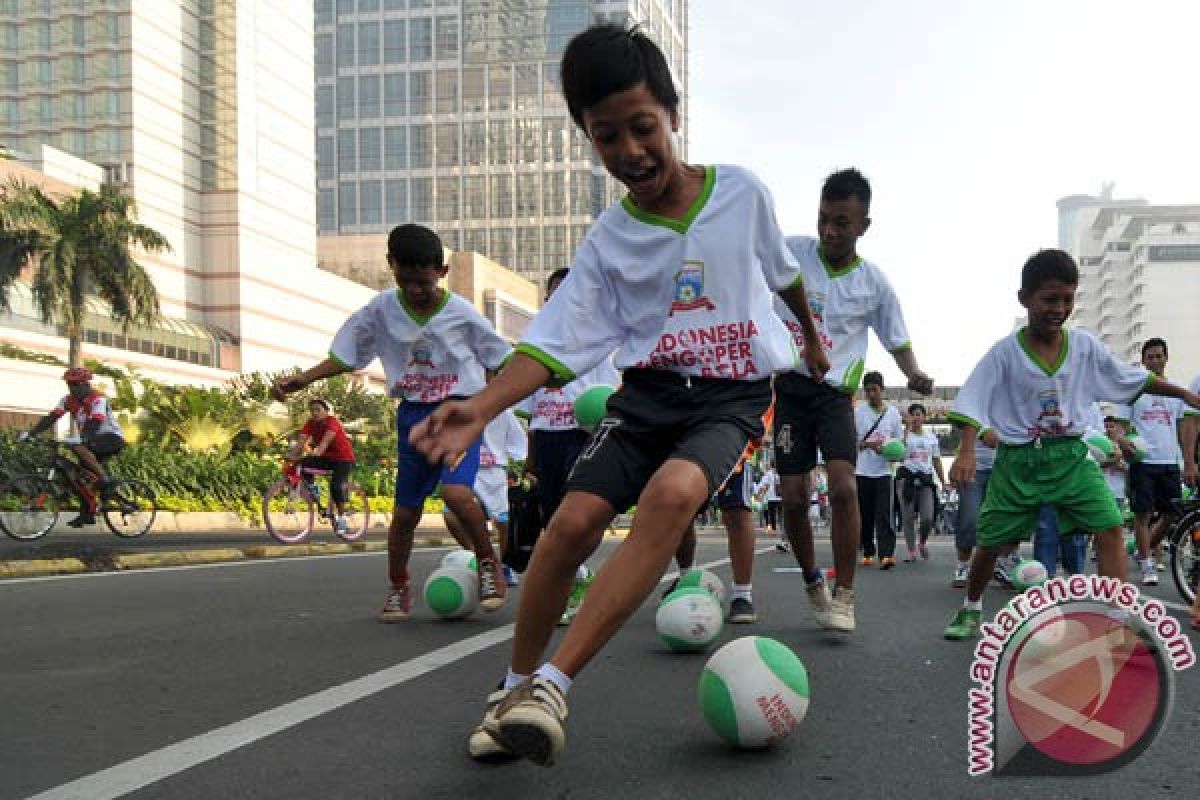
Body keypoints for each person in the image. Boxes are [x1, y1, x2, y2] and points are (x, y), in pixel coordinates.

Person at [408, 24, 829, 766]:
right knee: (569, 525)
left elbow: (782, 270)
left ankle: (552, 687)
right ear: (587, 138)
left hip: (731, 396)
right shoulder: (608, 239)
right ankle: (513, 690)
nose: (630, 151)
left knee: (671, 497)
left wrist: (812, 338)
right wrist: (483, 405)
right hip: (646, 396)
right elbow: (557, 339)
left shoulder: (742, 193)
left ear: (672, 114)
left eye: (642, 128)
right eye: (606, 137)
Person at [943, 249, 1200, 640]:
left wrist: (1184, 394)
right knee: (991, 542)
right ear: (1024, 298)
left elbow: (1132, 378)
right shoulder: (1004, 354)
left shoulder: (1083, 346)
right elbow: (972, 399)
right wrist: (964, 451)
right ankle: (971, 606)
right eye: (1049, 299)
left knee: (1111, 526)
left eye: (1067, 299)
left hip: (1071, 458)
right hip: (1018, 462)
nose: (1059, 308)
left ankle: (1118, 616)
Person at [273, 224, 512, 623]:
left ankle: (488, 563)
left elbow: (501, 358)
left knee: (456, 494)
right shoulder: (381, 309)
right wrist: (307, 378)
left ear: (443, 271)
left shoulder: (462, 314)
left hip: (457, 414)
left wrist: (493, 404)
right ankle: (398, 587)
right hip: (414, 417)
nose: (416, 290)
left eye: (424, 281)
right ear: (391, 267)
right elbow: (350, 354)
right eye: (406, 281)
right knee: (405, 514)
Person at [772, 167, 933, 631]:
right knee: (795, 498)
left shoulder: (875, 284)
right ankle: (810, 581)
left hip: (835, 396)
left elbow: (896, 339)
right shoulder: (792, 252)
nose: (830, 230)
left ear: (864, 225)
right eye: (824, 218)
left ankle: (844, 592)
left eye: (842, 222)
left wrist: (914, 372)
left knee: (843, 486)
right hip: (790, 391)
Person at [516, 267, 619, 622]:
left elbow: (610, 397)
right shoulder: (535, 343)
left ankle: (574, 580)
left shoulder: (599, 345)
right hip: (546, 439)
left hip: (580, 436)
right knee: (549, 514)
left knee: (570, 513)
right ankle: (576, 577)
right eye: (551, 297)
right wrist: (529, 458)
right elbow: (531, 408)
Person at [21, 367, 125, 527]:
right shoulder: (67, 400)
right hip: (90, 439)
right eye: (69, 384)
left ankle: (105, 479)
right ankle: (88, 513)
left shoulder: (98, 399)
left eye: (75, 384)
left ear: (85, 384)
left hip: (110, 438)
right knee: (75, 477)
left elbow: (95, 422)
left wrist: (81, 438)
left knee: (77, 447)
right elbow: (52, 417)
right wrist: (32, 433)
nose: (72, 388)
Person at [1122, 338, 1187, 586]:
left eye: (1159, 356)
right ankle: (1148, 563)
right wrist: (1124, 442)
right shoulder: (1135, 391)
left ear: (1166, 358)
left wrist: (1186, 461)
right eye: (1150, 357)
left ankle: (1143, 549)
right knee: (1143, 514)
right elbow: (1122, 426)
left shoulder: (1176, 391)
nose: (1155, 360)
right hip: (1143, 461)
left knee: (1172, 513)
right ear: (1143, 361)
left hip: (1170, 460)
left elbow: (1182, 427)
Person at [444, 409, 528, 586]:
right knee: (451, 516)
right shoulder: (459, 405)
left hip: (493, 470)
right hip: (463, 466)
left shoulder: (503, 411)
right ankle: (482, 561)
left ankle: (505, 566)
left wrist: (521, 467)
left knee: (503, 522)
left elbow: (519, 444)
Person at [854, 370, 904, 568]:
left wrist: (892, 451)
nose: (871, 394)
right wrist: (868, 445)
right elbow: (853, 441)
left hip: (884, 471)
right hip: (863, 471)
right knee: (865, 515)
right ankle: (867, 549)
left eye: (874, 390)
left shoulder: (892, 414)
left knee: (884, 513)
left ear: (882, 389)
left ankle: (887, 554)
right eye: (867, 391)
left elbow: (899, 442)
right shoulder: (858, 413)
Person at [287, 398, 357, 534]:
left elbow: (324, 443)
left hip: (343, 459)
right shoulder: (310, 424)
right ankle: (314, 490)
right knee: (301, 465)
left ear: (326, 411)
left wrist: (315, 453)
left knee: (336, 486)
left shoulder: (332, 422)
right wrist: (291, 456)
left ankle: (342, 519)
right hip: (326, 458)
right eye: (312, 410)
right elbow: (301, 442)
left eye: (318, 410)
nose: (314, 413)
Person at [895, 403, 946, 562]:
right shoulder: (904, 435)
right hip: (907, 478)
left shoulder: (931, 437)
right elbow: (899, 455)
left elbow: (936, 460)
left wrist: (944, 481)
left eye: (919, 414)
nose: (916, 417)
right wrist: (905, 432)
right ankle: (911, 551)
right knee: (908, 517)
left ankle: (922, 541)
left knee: (927, 518)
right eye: (913, 414)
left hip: (925, 479)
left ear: (924, 417)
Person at [951, 428, 998, 587]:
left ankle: (1002, 564)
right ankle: (963, 565)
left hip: (1002, 470)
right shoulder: (977, 407)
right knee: (970, 518)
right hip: (973, 470)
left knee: (1001, 520)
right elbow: (990, 439)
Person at [753, 464, 781, 532]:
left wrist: (759, 495)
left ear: (771, 465)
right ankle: (782, 528)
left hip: (771, 498)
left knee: (772, 514)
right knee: (781, 514)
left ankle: (774, 529)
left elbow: (764, 486)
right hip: (780, 497)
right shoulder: (782, 472)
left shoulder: (769, 474)